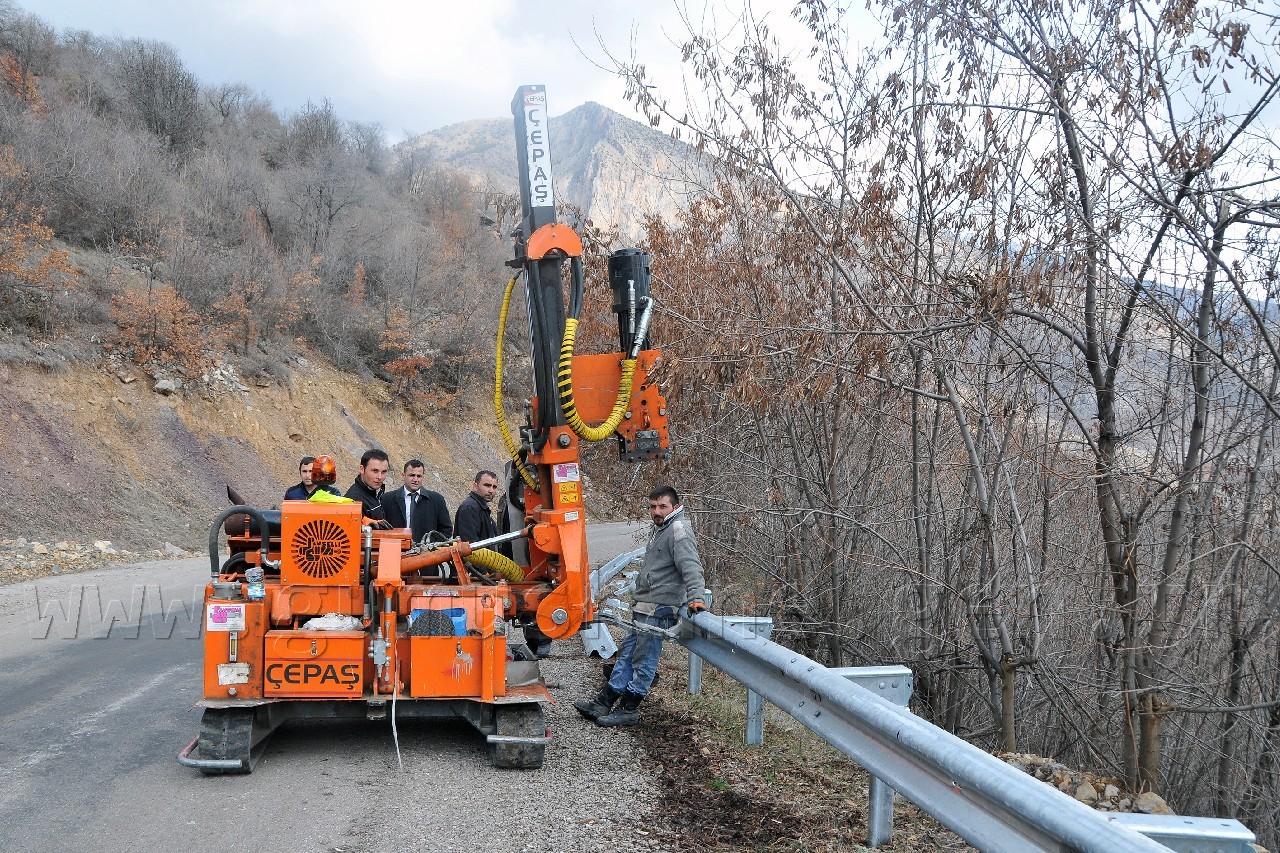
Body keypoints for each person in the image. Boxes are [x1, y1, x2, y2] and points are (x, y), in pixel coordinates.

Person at [575, 485, 707, 727]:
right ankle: (604, 701)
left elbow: (691, 565)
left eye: (662, 506)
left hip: (659, 607)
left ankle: (629, 708)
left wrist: (696, 596)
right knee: (626, 655)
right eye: (653, 506)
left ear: (675, 507)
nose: (656, 511)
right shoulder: (660, 528)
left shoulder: (678, 530)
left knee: (645, 659)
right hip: (645, 605)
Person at [382, 459, 452, 543]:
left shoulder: (436, 500)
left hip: (426, 553)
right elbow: (381, 529)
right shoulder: (387, 499)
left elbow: (446, 530)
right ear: (403, 475)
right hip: (395, 551)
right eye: (412, 475)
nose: (415, 479)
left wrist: (430, 546)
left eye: (419, 476)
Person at [346, 449, 392, 528]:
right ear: (362, 469)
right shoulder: (353, 500)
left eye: (383, 472)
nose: (379, 477)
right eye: (375, 471)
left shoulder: (375, 493)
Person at [454, 470, 500, 543]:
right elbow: (470, 545)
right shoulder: (470, 508)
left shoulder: (481, 508)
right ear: (475, 486)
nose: (491, 490)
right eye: (487, 485)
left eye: (494, 487)